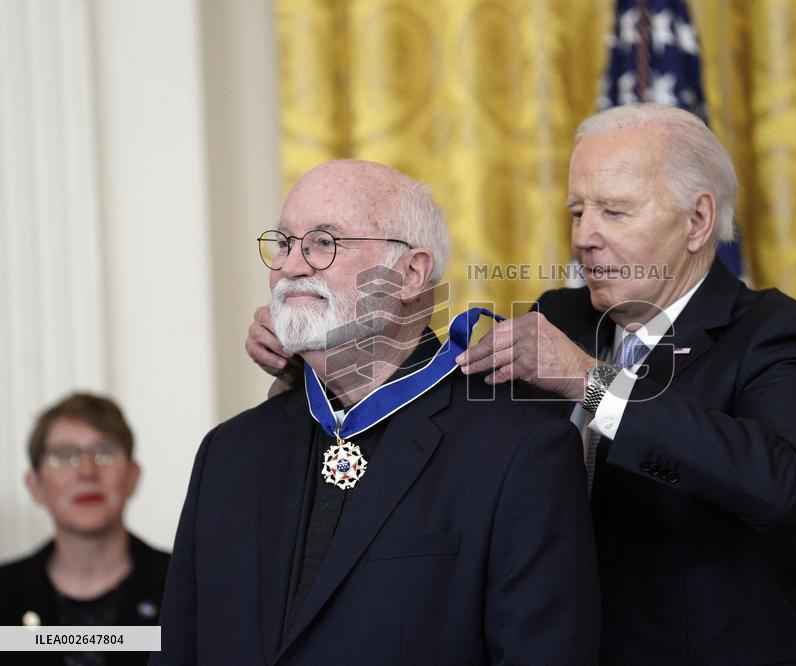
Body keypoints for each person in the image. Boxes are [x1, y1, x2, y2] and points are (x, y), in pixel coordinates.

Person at [247, 105, 796, 664]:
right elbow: (427, 404)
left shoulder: (777, 334)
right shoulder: (562, 315)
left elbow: (779, 482)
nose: (585, 236)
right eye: (577, 211)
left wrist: (587, 379)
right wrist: (315, 342)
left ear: (698, 221)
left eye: (614, 211)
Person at [154, 160, 600, 664]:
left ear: (410, 274)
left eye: (325, 243)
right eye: (283, 242)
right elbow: (176, 649)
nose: (291, 266)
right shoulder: (227, 453)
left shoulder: (520, 451)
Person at [0, 393, 170, 666]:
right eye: (64, 456)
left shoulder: (181, 588)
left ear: (132, 476)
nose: (87, 471)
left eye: (105, 453)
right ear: (35, 485)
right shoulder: (5, 594)